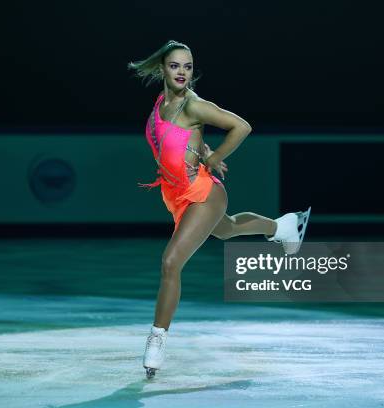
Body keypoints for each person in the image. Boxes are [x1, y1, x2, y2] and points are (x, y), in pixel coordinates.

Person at [127, 40, 311, 379]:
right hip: (178, 194)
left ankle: (157, 339)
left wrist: (214, 157)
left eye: (188, 67)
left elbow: (241, 126)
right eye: (175, 66)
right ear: (163, 69)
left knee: (171, 262)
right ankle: (283, 227)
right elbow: (177, 140)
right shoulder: (160, 102)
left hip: (204, 192)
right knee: (227, 230)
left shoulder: (195, 106)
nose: (182, 72)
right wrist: (200, 145)